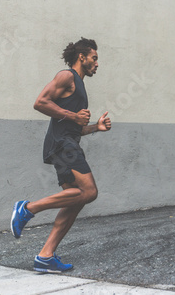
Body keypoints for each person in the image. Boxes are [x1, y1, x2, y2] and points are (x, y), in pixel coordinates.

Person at [11, 38, 111, 273]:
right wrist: (73, 116)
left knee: (75, 199)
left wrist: (95, 127)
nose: (97, 64)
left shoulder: (80, 86)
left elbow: (74, 127)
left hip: (67, 142)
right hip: (62, 145)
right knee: (89, 192)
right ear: (82, 57)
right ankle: (28, 208)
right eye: (94, 58)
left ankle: (45, 256)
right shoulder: (66, 77)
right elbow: (40, 102)